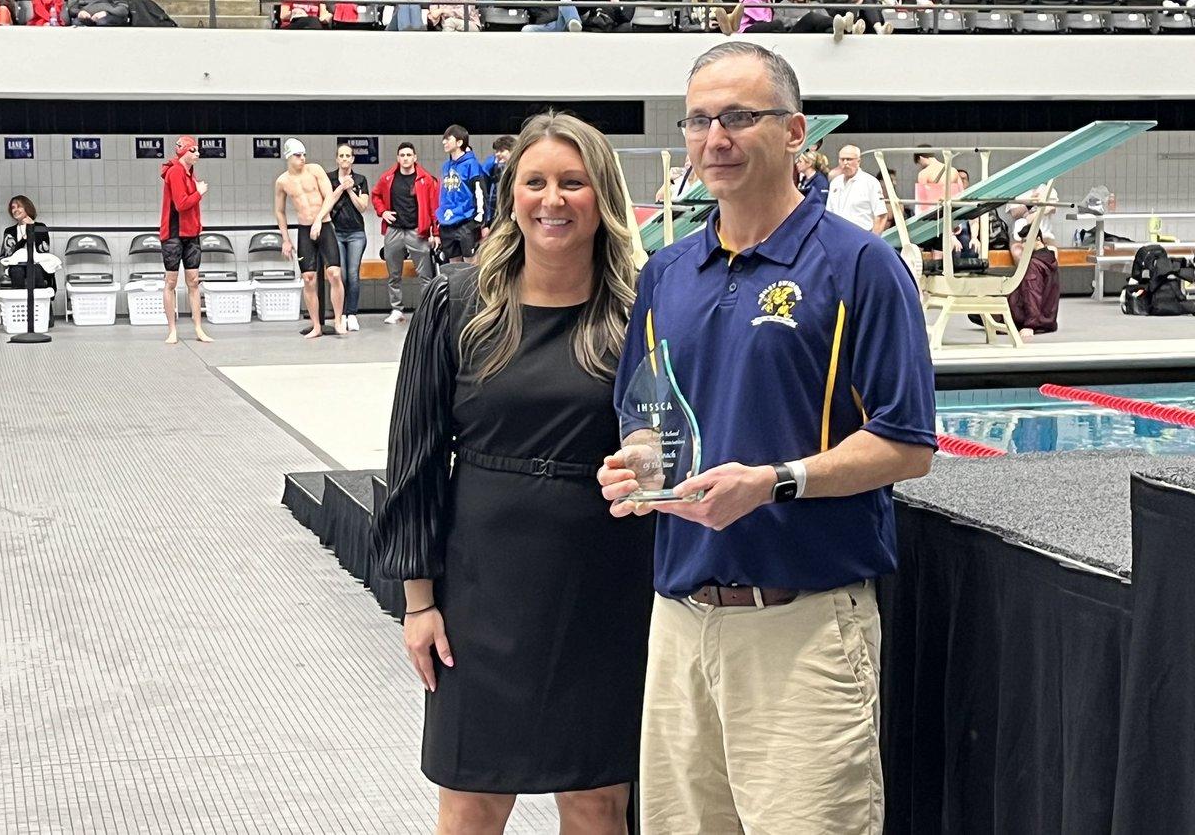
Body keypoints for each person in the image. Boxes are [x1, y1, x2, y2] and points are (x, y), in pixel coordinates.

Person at [597, 41, 936, 835]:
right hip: (680, 624)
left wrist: (775, 480)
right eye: (700, 121)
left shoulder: (861, 267)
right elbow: (644, 410)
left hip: (804, 628)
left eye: (740, 118)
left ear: (794, 133)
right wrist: (641, 460)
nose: (716, 138)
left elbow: (907, 444)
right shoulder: (668, 271)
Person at [374, 110, 653, 835]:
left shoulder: (639, 314)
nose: (552, 200)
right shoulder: (455, 303)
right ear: (511, 196)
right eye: (535, 182)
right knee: (471, 798)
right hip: (480, 585)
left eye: (572, 182)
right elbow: (415, 459)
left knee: (597, 801)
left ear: (604, 197)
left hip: (606, 583)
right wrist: (418, 601)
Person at [274, 138, 347, 338]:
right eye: (298, 155)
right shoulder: (282, 181)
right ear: (289, 157)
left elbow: (330, 196)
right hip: (305, 231)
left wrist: (318, 220)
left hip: (324, 226)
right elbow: (279, 212)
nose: (303, 159)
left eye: (304, 154)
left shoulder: (315, 170)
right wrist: (286, 239)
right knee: (308, 278)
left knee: (333, 273)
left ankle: (339, 320)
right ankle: (316, 325)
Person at [372, 142, 440, 324]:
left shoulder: (425, 179)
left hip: (418, 232)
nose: (405, 158)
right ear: (398, 158)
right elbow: (375, 195)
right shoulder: (388, 178)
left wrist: (435, 232)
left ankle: (427, 311)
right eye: (402, 155)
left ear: (415, 158)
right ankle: (396, 309)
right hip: (394, 231)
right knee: (394, 275)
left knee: (425, 275)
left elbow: (434, 208)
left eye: (409, 155)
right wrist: (383, 212)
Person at [158, 136, 213, 345]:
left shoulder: (189, 173)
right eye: (193, 150)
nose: (197, 154)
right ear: (183, 152)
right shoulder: (175, 172)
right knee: (171, 282)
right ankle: (172, 330)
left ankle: (198, 328)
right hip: (173, 234)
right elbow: (181, 205)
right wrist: (199, 193)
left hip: (191, 234)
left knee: (193, 281)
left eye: (197, 150)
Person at [327, 143, 371, 333]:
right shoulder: (329, 179)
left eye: (348, 156)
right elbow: (326, 204)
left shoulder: (361, 180)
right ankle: (341, 314)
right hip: (335, 232)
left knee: (353, 274)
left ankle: (352, 313)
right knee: (341, 274)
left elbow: (363, 207)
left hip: (356, 233)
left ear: (353, 159)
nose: (345, 159)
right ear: (337, 158)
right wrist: (341, 188)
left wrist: (351, 189)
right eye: (341, 156)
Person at [436, 125, 487, 263]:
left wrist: (480, 219)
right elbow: (443, 193)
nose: (444, 142)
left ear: (459, 142)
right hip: (447, 222)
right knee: (454, 268)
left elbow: (480, 192)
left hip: (466, 221)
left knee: (470, 266)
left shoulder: (472, 165)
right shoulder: (446, 166)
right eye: (443, 139)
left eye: (448, 139)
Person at [827, 142, 889, 232]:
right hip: (837, 235)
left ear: (858, 161)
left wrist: (873, 240)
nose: (845, 163)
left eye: (849, 159)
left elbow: (881, 215)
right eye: (842, 159)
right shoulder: (835, 183)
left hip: (862, 235)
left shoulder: (870, 183)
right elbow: (829, 213)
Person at [0, 196, 52, 291]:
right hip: (16, 266)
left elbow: (44, 250)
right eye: (13, 207)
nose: (15, 210)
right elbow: (8, 255)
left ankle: (40, 304)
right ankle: (20, 303)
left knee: (35, 270)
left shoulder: (41, 227)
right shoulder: (9, 231)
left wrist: (31, 227)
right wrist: (24, 238)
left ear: (27, 208)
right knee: (17, 271)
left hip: (37, 264)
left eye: (19, 206)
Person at [480, 135, 515, 238]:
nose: (498, 154)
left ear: (513, 150)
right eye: (496, 151)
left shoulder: (522, 169)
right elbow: (487, 196)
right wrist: (486, 223)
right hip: (497, 217)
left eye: (502, 151)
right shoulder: (494, 169)